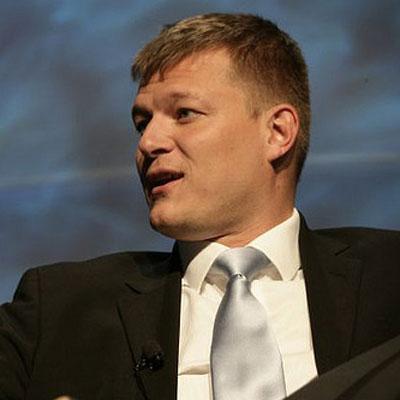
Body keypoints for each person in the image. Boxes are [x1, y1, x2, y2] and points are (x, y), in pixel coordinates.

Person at [0, 12, 399, 400]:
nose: (148, 143)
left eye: (184, 113)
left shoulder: (389, 276)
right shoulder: (57, 309)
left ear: (277, 132)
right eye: (142, 123)